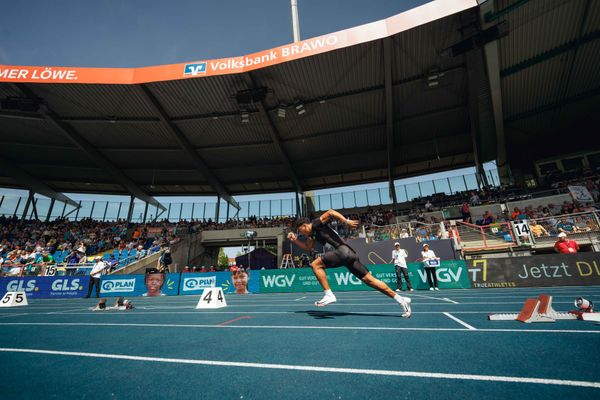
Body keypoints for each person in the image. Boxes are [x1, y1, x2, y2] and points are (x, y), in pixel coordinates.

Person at [287, 209, 412, 317]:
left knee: (315, 265)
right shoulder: (312, 234)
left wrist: (346, 222)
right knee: (370, 280)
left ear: (303, 226)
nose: (301, 234)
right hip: (349, 255)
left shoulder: (315, 223)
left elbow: (330, 212)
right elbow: (308, 248)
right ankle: (401, 300)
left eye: (300, 231)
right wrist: (295, 240)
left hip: (342, 252)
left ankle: (329, 294)